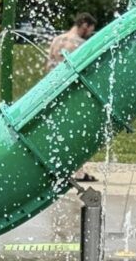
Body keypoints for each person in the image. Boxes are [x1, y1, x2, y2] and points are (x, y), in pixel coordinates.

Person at [46, 12, 97, 180]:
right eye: (90, 29)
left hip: (52, 91)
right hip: (71, 93)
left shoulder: (56, 40)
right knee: (77, 131)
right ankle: (78, 171)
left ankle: (55, 165)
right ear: (84, 25)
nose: (90, 33)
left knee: (57, 130)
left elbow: (47, 68)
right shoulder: (80, 44)